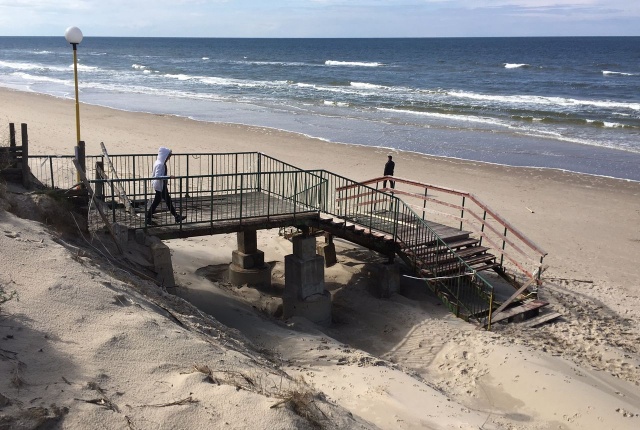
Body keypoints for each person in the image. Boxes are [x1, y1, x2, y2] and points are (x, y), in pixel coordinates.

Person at [146, 147, 186, 224]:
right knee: (162, 201)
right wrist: (168, 177)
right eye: (168, 156)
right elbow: (157, 176)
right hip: (160, 186)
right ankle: (148, 217)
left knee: (165, 201)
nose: (169, 158)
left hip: (161, 185)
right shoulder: (160, 164)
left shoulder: (160, 163)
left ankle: (176, 216)